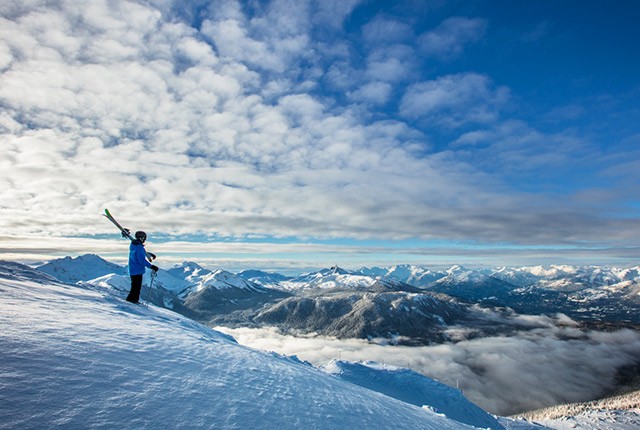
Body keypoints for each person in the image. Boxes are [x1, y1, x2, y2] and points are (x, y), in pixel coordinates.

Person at [126, 231, 158, 303]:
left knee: (135, 287)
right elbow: (141, 260)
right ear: (142, 238)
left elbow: (140, 254)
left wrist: (150, 254)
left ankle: (132, 300)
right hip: (137, 270)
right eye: (144, 238)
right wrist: (152, 266)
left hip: (133, 269)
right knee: (136, 287)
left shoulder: (134, 246)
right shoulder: (139, 247)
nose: (145, 240)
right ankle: (133, 301)